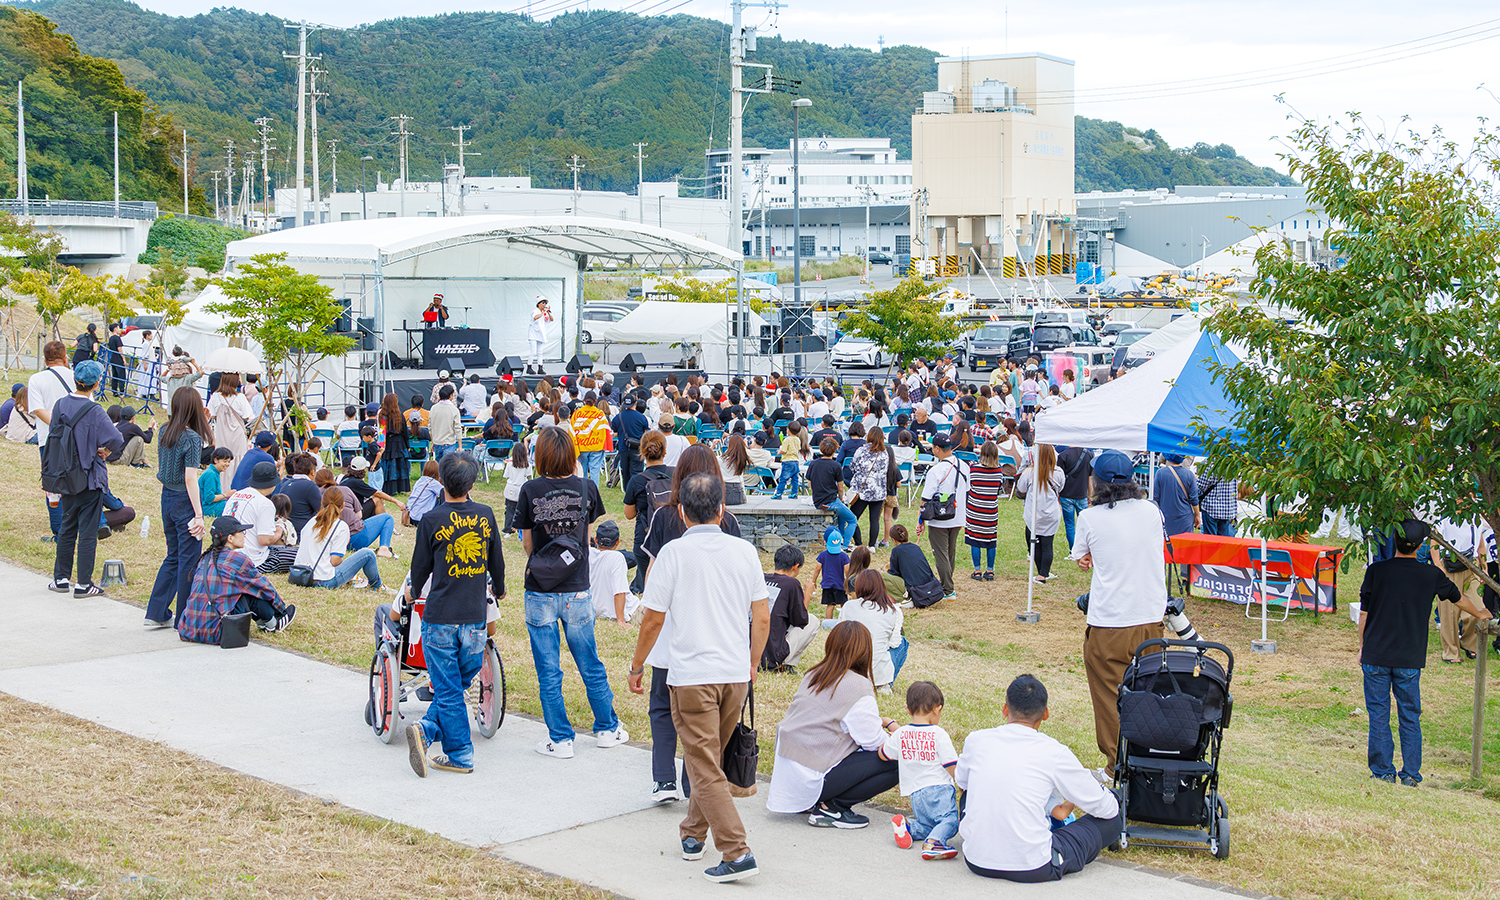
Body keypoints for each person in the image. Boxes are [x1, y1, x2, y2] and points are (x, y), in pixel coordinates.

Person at [628, 472, 771, 884]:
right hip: (735, 675)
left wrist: (637, 666)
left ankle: (737, 851)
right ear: (722, 510)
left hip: (692, 676)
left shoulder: (672, 554)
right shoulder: (744, 552)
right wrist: (752, 663)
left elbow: (652, 620)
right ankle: (693, 834)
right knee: (708, 760)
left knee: (704, 765)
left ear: (681, 512)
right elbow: (761, 616)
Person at [637, 446, 744, 803]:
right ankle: (691, 780)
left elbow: (652, 570)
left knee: (661, 704)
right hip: (713, 625)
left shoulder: (664, 516)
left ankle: (663, 779)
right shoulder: (727, 522)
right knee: (704, 714)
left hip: (669, 623)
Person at [516, 426, 627, 758]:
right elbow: (585, 539)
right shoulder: (586, 487)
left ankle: (561, 739)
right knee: (590, 663)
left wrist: (544, 566)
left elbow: (527, 542)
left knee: (549, 669)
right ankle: (607, 728)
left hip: (540, 589)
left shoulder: (530, 489)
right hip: (577, 587)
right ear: (572, 455)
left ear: (540, 456)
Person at [1361, 518, 1492, 784]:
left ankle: (1382, 771)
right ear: (1421, 545)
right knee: (1410, 716)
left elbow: (1364, 614)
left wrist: (1362, 646)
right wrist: (1479, 613)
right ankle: (1410, 773)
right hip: (1409, 657)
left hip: (1376, 653)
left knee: (1379, 715)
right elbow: (1459, 598)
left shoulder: (1376, 570)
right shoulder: (1431, 575)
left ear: (1394, 539)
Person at [957, 674, 1123, 882]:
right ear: (1045, 714)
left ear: (1005, 709)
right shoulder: (1055, 752)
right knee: (1113, 820)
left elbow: (962, 783)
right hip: (1034, 866)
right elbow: (1106, 808)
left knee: (968, 794)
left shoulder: (976, 740)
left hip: (976, 861)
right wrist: (1112, 796)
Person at [405, 452, 506, 777]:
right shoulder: (485, 514)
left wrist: (412, 591)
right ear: (472, 484)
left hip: (440, 619)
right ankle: (427, 732)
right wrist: (500, 588)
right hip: (475, 619)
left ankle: (457, 751)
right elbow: (496, 561)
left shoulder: (431, 519)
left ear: (441, 483)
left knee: (448, 688)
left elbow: (419, 568)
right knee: (457, 683)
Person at [1069, 449, 1167, 778]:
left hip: (1110, 621)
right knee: (1148, 694)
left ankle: (1117, 767)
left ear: (1096, 482)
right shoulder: (1151, 511)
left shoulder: (1090, 517)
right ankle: (1148, 763)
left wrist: (1088, 557)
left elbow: (1081, 556)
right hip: (1150, 618)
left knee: (1110, 697)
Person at [767, 620, 901, 828]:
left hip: (787, 779)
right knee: (896, 761)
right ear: (866, 651)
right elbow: (873, 742)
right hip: (812, 780)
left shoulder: (814, 674)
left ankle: (817, 803)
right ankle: (832, 808)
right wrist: (894, 734)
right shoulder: (858, 685)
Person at [45, 360, 122, 597]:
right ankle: (83, 584)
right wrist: (104, 451)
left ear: (75, 379)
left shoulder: (60, 405)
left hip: (65, 475)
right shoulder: (95, 410)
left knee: (67, 527)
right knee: (88, 531)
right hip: (89, 477)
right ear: (97, 384)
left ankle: (60, 579)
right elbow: (116, 439)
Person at [177, 517, 296, 642]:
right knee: (250, 591)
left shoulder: (204, 559)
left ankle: (263, 623)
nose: (244, 535)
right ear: (230, 538)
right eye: (241, 532)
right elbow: (264, 587)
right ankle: (273, 624)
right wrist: (281, 609)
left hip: (189, 629)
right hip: (218, 633)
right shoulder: (238, 559)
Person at [883, 681, 961, 860]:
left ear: (908, 710)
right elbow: (951, 765)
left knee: (929, 824)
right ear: (937, 709)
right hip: (939, 790)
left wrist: (890, 728)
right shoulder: (939, 734)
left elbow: (885, 754)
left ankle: (908, 827)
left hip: (916, 795)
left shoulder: (901, 734)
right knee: (950, 821)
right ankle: (934, 843)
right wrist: (963, 784)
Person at [29, 340, 76, 539]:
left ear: (45, 358)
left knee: (53, 485)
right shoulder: (76, 376)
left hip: (48, 439)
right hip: (76, 437)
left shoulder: (36, 379)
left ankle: (59, 532)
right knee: (78, 480)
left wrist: (57, 425)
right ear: (65, 357)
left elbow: (38, 410)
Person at [295, 488, 383, 590]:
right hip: (324, 581)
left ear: (322, 503)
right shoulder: (341, 526)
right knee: (368, 553)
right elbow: (335, 561)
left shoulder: (312, 522)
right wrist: (349, 569)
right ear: (343, 505)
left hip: (300, 576)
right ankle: (377, 586)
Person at [916, 434, 968, 601]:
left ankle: (947, 589)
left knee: (941, 555)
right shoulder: (964, 466)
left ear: (937, 449)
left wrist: (920, 520)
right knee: (949, 553)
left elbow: (925, 499)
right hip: (957, 515)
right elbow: (967, 491)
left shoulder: (936, 470)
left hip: (938, 518)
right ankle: (947, 584)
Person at [223, 461, 298, 575]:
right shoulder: (265, 503)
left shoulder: (236, 495)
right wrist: (279, 531)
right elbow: (264, 540)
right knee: (300, 553)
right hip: (254, 561)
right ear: (272, 483)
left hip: (228, 556)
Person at [839, 569, 907, 693]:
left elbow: (838, 634)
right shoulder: (892, 611)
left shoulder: (848, 606)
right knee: (903, 642)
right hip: (876, 674)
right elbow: (894, 643)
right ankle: (886, 683)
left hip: (847, 669)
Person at [623, 431, 673, 594]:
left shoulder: (637, 480)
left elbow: (629, 514)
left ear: (642, 452)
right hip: (674, 535)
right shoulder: (677, 474)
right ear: (664, 452)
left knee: (648, 585)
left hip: (646, 538)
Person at [762, 544, 816, 673]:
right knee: (813, 621)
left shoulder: (762, 578)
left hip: (751, 652)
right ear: (795, 567)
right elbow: (801, 621)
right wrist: (807, 594)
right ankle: (786, 664)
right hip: (772, 655)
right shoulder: (791, 583)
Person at [1016, 443, 1065, 585]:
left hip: (1033, 513)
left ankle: (1041, 573)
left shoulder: (1029, 472)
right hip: (1051, 513)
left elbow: (1021, 489)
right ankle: (1043, 573)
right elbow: (1061, 488)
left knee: (1034, 543)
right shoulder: (1058, 472)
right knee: (1047, 544)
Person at [341, 457, 403, 556]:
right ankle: (386, 528)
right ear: (364, 470)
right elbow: (377, 493)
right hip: (354, 520)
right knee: (378, 500)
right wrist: (395, 501)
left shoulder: (345, 479)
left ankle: (384, 526)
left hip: (344, 520)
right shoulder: (356, 483)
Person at [964, 441, 1005, 581]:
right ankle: (990, 570)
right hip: (990, 511)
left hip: (974, 509)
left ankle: (977, 570)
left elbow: (968, 486)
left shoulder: (973, 469)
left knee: (975, 540)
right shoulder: (999, 471)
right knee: (991, 540)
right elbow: (998, 489)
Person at [808, 436, 858, 545]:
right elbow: (840, 487)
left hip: (818, 501)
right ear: (835, 450)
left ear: (821, 449)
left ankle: (841, 536)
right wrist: (841, 498)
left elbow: (809, 484)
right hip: (831, 501)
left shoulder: (813, 464)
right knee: (852, 520)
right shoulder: (836, 465)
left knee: (842, 509)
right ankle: (845, 545)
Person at [848, 427, 891, 547]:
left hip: (862, 490)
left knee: (852, 517)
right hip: (878, 490)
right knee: (874, 520)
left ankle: (858, 542)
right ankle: (872, 545)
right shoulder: (884, 453)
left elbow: (852, 467)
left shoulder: (861, 451)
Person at [207, 373, 253, 486]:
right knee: (238, 460)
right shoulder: (240, 397)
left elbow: (210, 414)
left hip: (221, 434)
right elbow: (248, 417)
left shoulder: (215, 396)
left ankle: (222, 487)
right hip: (237, 435)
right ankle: (236, 488)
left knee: (221, 459)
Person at [590, 520, 638, 625]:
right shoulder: (617, 558)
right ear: (617, 542)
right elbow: (619, 591)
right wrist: (621, 620)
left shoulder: (588, 553)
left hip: (593, 609)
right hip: (622, 611)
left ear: (596, 539)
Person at [274, 453, 324, 534]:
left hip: (286, 529)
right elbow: (321, 510)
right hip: (303, 530)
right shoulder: (310, 486)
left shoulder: (285, 484)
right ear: (312, 472)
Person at [571, 391, 611, 486]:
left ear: (584, 400)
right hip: (597, 447)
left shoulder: (577, 414)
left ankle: (584, 492)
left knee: (582, 471)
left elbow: (571, 431)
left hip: (582, 447)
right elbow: (606, 430)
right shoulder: (600, 414)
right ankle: (594, 492)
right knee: (595, 471)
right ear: (595, 401)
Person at [812, 527, 851, 624]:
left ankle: (828, 623)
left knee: (830, 605)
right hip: (840, 584)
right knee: (844, 604)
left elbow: (817, 568)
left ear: (825, 542)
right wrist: (848, 582)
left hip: (827, 584)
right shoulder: (844, 556)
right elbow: (847, 570)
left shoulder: (822, 555)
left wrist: (813, 581)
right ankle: (845, 622)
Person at [611, 395, 649, 490]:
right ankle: (637, 491)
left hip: (623, 448)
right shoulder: (642, 417)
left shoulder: (618, 417)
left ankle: (628, 492)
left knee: (626, 473)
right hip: (637, 448)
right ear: (635, 403)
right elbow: (646, 432)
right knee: (637, 473)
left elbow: (614, 431)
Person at [1195, 471, 1239, 538]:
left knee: (1210, 540)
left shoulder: (1211, 465)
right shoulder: (1234, 466)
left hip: (1211, 507)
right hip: (1227, 509)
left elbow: (1200, 486)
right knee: (1223, 540)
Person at [429, 384, 463, 462]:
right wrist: (460, 446)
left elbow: (430, 427)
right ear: (450, 396)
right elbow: (458, 428)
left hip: (437, 442)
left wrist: (433, 441)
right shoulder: (454, 409)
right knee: (448, 466)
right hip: (449, 443)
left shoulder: (433, 408)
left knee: (439, 465)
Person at [406, 459, 444, 527]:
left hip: (411, 516)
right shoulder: (433, 483)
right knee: (441, 499)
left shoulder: (419, 480)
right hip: (422, 519)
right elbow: (446, 494)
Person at [199, 447, 234, 518]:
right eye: (225, 461)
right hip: (208, 508)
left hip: (210, 506)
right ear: (215, 460)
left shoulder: (213, 472)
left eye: (229, 462)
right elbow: (209, 498)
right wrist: (226, 495)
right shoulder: (210, 474)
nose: (227, 464)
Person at [718, 433, 751, 506]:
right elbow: (741, 479)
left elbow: (709, 457)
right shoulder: (742, 460)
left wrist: (712, 446)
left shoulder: (721, 460)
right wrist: (744, 497)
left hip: (724, 491)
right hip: (738, 492)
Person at [772, 420, 803, 499]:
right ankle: (794, 493)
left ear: (788, 430)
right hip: (796, 461)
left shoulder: (787, 440)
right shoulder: (798, 439)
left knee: (783, 478)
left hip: (787, 461)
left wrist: (779, 452)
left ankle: (779, 493)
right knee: (795, 479)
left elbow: (784, 450)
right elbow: (798, 448)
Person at [528, 297, 552, 374]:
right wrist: (543, 312)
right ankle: (529, 367)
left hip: (541, 334)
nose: (545, 304)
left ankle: (540, 368)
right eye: (543, 302)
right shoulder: (535, 311)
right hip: (533, 334)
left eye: (546, 303)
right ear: (538, 304)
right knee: (533, 351)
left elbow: (551, 320)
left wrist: (548, 312)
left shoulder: (544, 313)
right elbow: (535, 317)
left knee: (540, 352)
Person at [105, 324, 127, 395]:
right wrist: (123, 358)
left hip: (112, 358)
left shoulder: (111, 338)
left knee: (115, 375)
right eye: (118, 328)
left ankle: (114, 391)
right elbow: (119, 348)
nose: (119, 329)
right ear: (115, 329)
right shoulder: (117, 338)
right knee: (121, 375)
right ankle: (122, 391)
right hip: (118, 358)